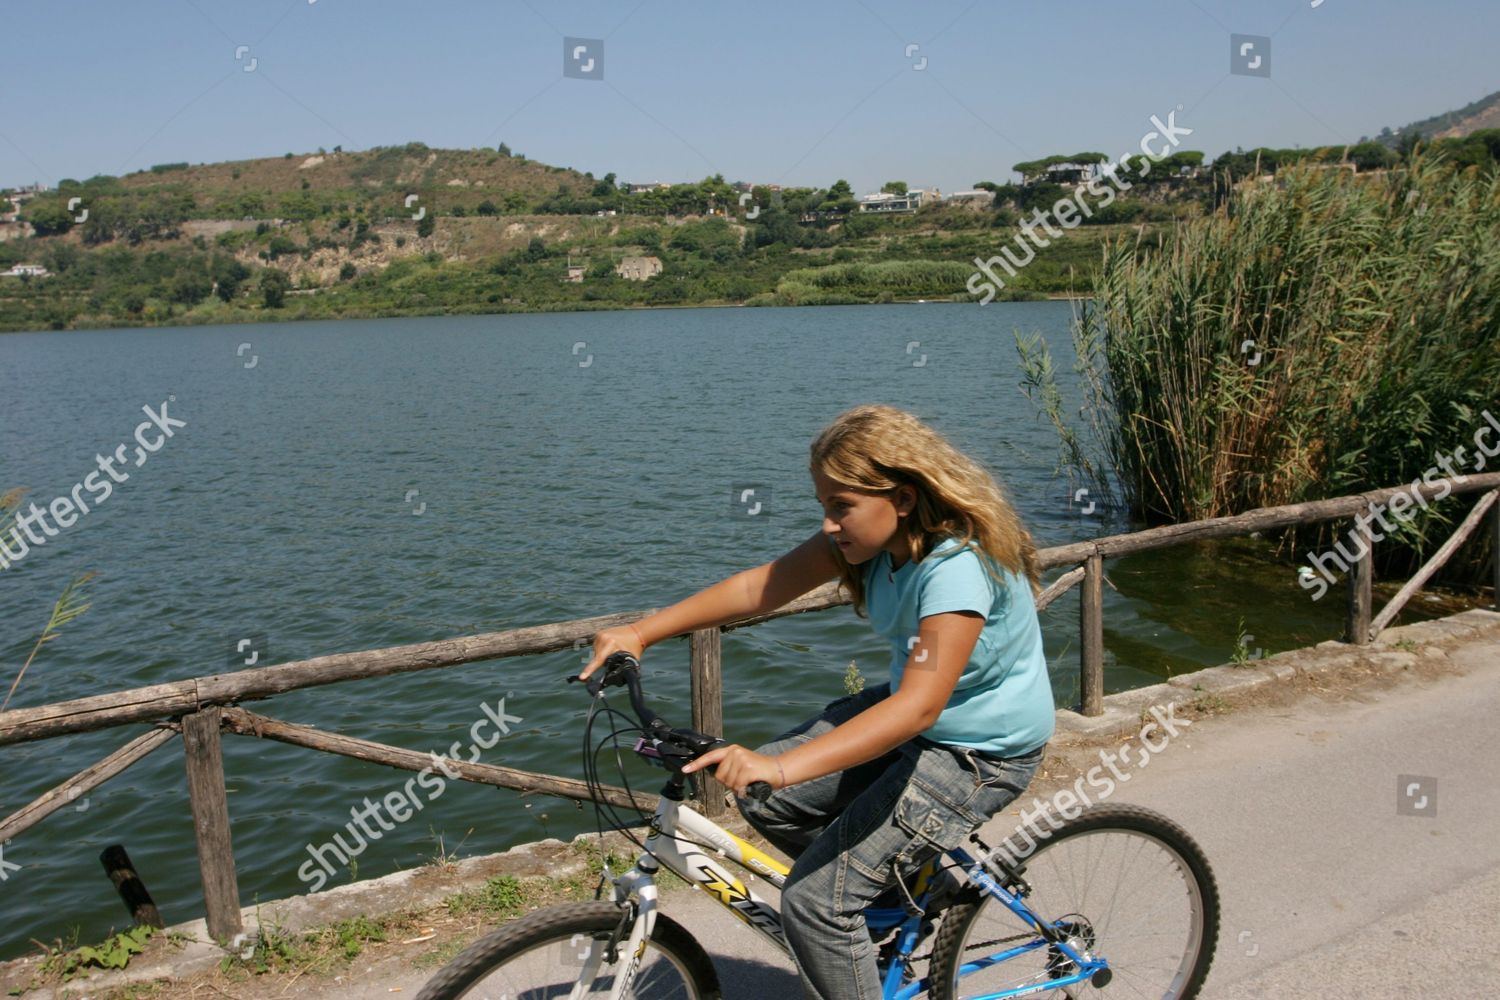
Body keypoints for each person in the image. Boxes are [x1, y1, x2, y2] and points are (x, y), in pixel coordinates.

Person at [579, 403, 1055, 1000]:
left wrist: (777, 766)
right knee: (767, 803)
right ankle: (888, 905)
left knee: (814, 904)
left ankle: (845, 918)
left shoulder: (955, 571)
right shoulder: (869, 543)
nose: (829, 523)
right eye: (823, 505)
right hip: (922, 717)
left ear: (902, 499)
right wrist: (642, 632)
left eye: (841, 505)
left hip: (980, 752)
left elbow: (917, 708)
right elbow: (761, 586)